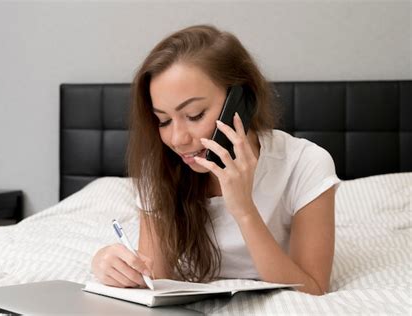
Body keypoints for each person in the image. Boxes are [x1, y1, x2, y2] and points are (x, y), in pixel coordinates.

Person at [91, 24, 340, 295]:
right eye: (162, 120)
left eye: (195, 114)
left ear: (241, 100)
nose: (177, 139)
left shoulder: (305, 164)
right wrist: (110, 265)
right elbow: (156, 280)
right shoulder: (162, 168)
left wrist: (244, 209)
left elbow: (313, 289)